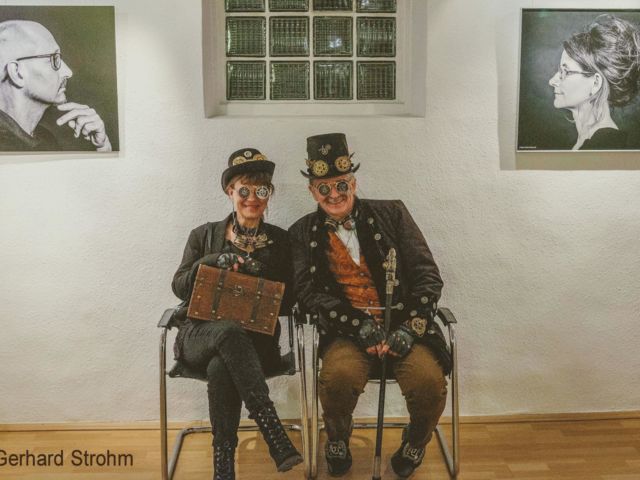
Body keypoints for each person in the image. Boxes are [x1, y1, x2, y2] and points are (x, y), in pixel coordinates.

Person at [289, 133, 451, 478]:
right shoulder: (301, 232)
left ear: (353, 183)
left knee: (428, 383)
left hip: (403, 326)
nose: (334, 194)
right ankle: (337, 437)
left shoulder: (393, 213)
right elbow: (307, 293)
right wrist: (357, 325)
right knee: (337, 379)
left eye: (341, 185)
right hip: (345, 332)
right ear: (312, 191)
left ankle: (416, 441)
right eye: (324, 188)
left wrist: (411, 328)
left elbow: (428, 276)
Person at [171, 148, 303, 480]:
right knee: (227, 331)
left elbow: (292, 298)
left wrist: (260, 279)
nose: (252, 198)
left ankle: (224, 464)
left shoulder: (281, 241)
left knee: (222, 366)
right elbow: (179, 287)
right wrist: (210, 262)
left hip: (256, 345)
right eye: (244, 190)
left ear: (269, 195)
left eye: (262, 190)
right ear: (230, 192)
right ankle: (272, 430)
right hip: (199, 336)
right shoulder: (204, 235)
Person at [0, 20, 112, 151]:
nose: (68, 72)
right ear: (17, 73)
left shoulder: (46, 138)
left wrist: (102, 147)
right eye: (54, 59)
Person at [548, 14, 640, 150]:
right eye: (559, 71)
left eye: (566, 72)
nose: (552, 81)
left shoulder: (606, 148)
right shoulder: (583, 144)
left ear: (596, 83)